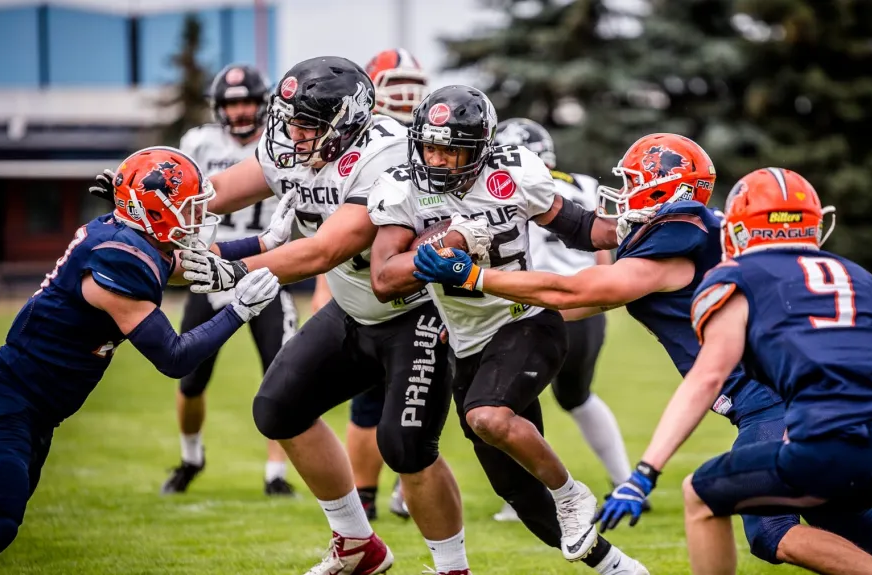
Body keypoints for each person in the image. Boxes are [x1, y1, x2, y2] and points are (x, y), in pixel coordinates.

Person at [414, 135, 872, 573]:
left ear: (668, 189)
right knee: (864, 534)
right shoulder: (716, 237)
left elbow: (585, 292)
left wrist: (475, 276)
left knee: (766, 528)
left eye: (636, 180)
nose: (626, 191)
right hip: (859, 406)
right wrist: (495, 322)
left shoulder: (678, 234)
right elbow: (580, 303)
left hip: (774, 402)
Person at [594, 167, 872, 575]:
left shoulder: (734, 279)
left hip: (833, 442)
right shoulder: (860, 276)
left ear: (741, 228)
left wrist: (644, 473)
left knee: (701, 495)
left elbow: (708, 377)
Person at [171, 57, 472, 575]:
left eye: (307, 122)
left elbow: (323, 252)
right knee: (278, 408)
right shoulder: (293, 142)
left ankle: (453, 569)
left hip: (415, 312)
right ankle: (357, 545)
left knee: (406, 447)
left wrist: (232, 269)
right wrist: (146, 207)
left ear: (349, 120)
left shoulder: (383, 154)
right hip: (354, 308)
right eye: (289, 119)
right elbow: (215, 193)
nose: (294, 132)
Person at [367, 85, 648, 575]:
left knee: (488, 418)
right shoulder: (402, 185)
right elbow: (384, 280)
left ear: (480, 148)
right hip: (466, 340)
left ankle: (571, 491)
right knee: (520, 494)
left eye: (451, 148)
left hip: (525, 320)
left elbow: (582, 228)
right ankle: (622, 569)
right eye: (429, 145)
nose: (436, 158)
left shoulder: (512, 171)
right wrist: (446, 240)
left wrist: (640, 222)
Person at [0, 147, 285, 572]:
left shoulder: (128, 240)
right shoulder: (120, 258)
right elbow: (174, 357)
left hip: (31, 409)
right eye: (187, 209)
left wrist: (265, 242)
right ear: (153, 211)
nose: (196, 218)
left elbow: (175, 264)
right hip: (6, 406)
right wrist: (238, 310)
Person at [159, 63, 300, 497]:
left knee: (282, 378)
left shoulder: (284, 143)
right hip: (210, 271)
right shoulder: (199, 143)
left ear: (263, 104)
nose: (240, 111)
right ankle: (190, 457)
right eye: (232, 103)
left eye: (248, 102)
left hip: (268, 270)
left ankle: (276, 474)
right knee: (191, 378)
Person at [491, 118, 630, 523]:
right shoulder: (585, 183)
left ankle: (527, 498)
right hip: (586, 306)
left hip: (535, 307)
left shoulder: (507, 185)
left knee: (509, 403)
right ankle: (624, 480)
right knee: (578, 395)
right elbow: (604, 255)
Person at [344, 47, 432, 521]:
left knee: (415, 405)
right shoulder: (367, 148)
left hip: (422, 294)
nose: (405, 96)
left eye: (412, 85)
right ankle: (366, 495)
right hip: (363, 286)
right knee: (368, 403)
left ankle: (404, 487)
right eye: (394, 85)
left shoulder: (432, 145)